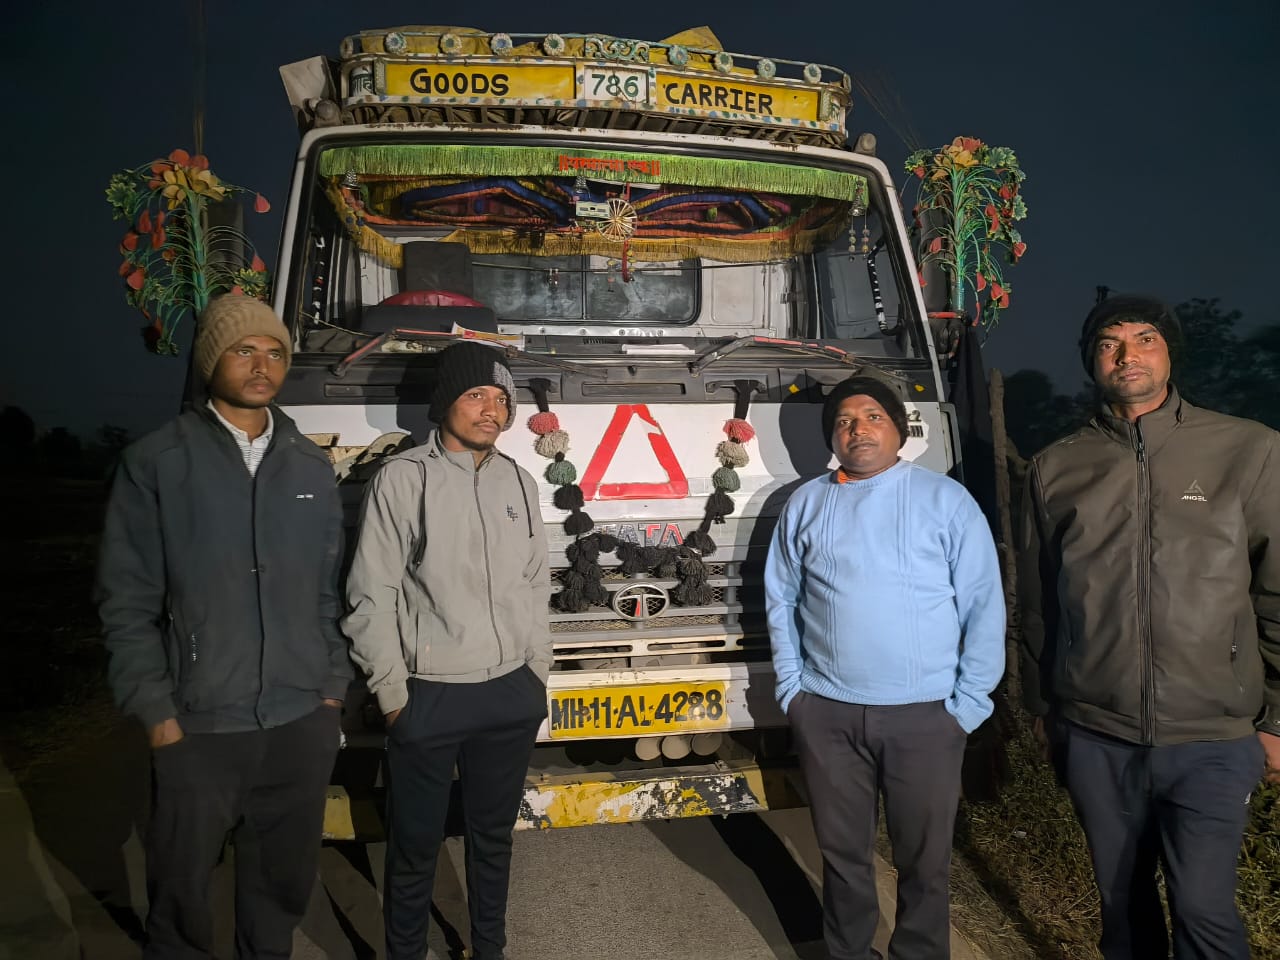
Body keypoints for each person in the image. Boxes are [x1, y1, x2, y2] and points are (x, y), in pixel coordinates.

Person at [1019, 294, 1280, 960]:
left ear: (1169, 353)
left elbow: (1277, 590)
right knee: (1124, 911)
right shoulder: (1056, 465)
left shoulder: (1247, 449)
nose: (1127, 355)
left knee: (1203, 909)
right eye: (1110, 343)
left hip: (1213, 735)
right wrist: (1046, 710)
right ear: (1092, 360)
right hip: (1095, 734)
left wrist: (1277, 718)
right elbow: (1039, 600)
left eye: (1145, 339)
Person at [97, 293, 351, 959]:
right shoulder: (158, 462)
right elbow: (126, 602)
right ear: (211, 361)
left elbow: (326, 592)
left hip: (299, 718)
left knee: (280, 889)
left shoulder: (310, 466)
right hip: (200, 723)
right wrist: (157, 714)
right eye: (243, 351)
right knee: (181, 893)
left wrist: (330, 692)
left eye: (275, 353)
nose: (262, 366)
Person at [765, 376, 1006, 960]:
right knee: (843, 856)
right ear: (832, 437)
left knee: (924, 862)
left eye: (872, 416)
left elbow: (983, 602)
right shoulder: (806, 502)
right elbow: (781, 598)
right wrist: (794, 689)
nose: (858, 429)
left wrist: (968, 705)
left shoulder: (944, 499)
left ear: (899, 428)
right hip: (828, 714)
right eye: (844, 420)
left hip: (926, 716)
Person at [343, 341, 550, 960]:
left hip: (510, 692)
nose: (492, 410)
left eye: (502, 399)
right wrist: (392, 696)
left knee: (494, 840)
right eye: (476, 394)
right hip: (428, 695)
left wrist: (535, 673)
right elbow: (371, 592)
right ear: (445, 402)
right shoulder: (403, 478)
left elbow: (535, 583)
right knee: (414, 847)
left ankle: (489, 948)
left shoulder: (519, 481)